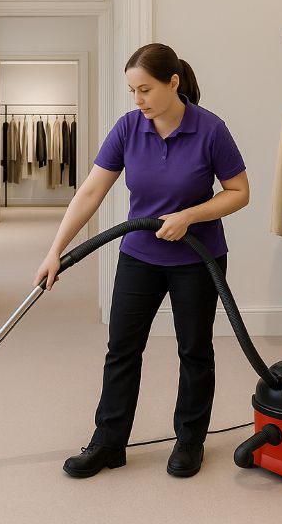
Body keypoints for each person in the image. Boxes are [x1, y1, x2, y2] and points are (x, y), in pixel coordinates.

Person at [34, 43, 249, 479]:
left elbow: (239, 192)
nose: (138, 100)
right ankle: (108, 443)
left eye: (145, 89)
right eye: (133, 90)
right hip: (140, 256)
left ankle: (190, 441)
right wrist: (55, 250)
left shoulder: (211, 130)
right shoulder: (129, 128)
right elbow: (90, 192)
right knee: (122, 350)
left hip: (198, 259)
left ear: (173, 82)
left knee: (194, 350)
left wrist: (189, 215)